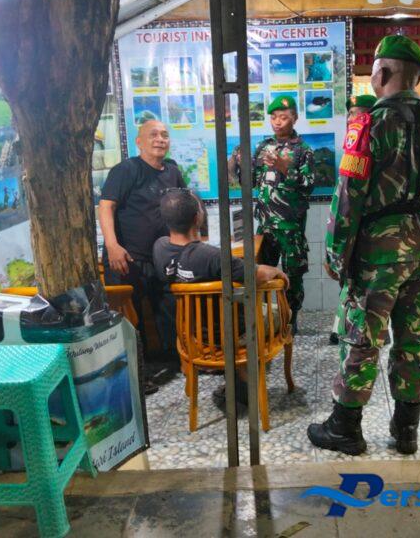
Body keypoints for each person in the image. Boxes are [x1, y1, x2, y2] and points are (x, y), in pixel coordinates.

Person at [307, 35, 420, 456]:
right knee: (414, 338)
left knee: (363, 336)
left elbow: (348, 196)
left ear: (383, 72)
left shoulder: (369, 125)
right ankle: (407, 430)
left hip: (380, 251)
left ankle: (345, 428)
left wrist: (336, 254)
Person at [152, 189, 288, 409]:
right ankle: (245, 379)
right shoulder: (212, 257)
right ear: (197, 218)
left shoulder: (159, 248)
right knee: (279, 311)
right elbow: (258, 274)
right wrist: (277, 272)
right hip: (233, 333)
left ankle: (237, 375)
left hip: (193, 335)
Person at [98, 119, 186, 392]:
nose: (160, 139)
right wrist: (112, 246)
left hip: (161, 258)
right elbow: (106, 206)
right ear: (139, 142)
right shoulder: (127, 170)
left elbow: (183, 207)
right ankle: (137, 375)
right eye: (153, 135)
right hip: (126, 259)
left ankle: (177, 361)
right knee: (129, 320)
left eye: (164, 135)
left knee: (170, 310)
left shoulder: (172, 171)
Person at [238, 95, 315, 335]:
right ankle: (264, 320)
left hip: (290, 227)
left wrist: (284, 168)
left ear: (295, 118)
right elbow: (251, 182)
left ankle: (291, 320)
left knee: (293, 276)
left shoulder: (303, 150)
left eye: (283, 117)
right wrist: (240, 165)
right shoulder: (263, 147)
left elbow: (308, 185)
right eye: (273, 117)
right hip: (265, 225)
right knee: (261, 274)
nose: (277, 122)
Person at [328, 94, 379, 346]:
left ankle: (346, 332)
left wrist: (334, 254)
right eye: (350, 114)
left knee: (359, 308)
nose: (352, 119)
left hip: (366, 239)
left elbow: (347, 203)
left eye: (357, 113)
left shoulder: (362, 137)